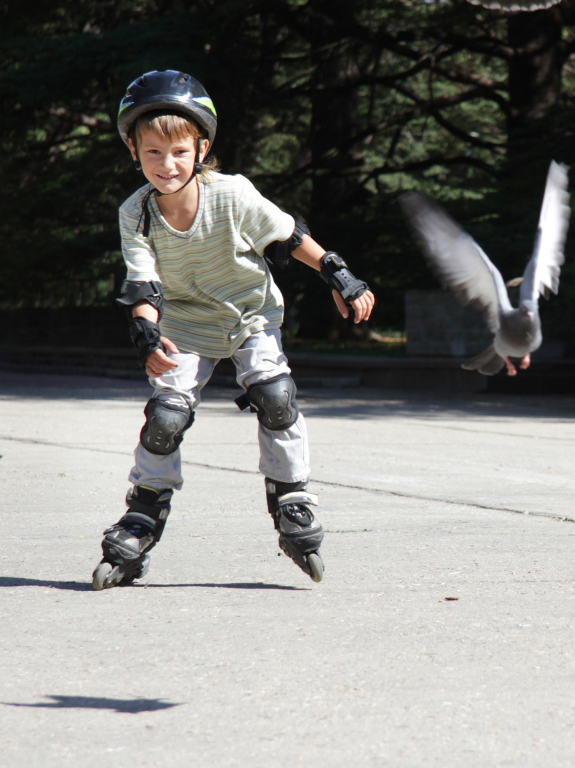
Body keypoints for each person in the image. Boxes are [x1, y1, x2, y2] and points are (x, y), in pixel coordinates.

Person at [92, 70, 375, 590]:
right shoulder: (136, 213)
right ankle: (142, 514)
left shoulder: (232, 194)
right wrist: (147, 336)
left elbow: (289, 237)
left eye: (179, 152)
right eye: (153, 152)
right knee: (165, 417)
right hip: (183, 324)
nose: (166, 164)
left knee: (275, 395)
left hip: (249, 314)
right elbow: (143, 285)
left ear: (201, 149)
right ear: (134, 151)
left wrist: (339, 275)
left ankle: (291, 497)